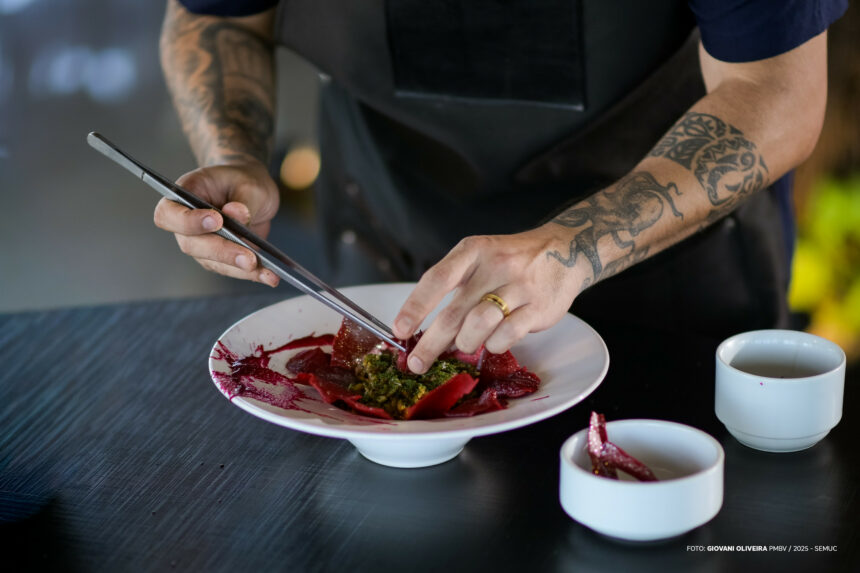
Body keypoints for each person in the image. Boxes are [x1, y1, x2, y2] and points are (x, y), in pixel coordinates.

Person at [154, 0, 847, 374]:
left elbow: (776, 88)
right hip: (385, 244)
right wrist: (234, 154)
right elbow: (217, 15)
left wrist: (571, 246)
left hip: (665, 279)